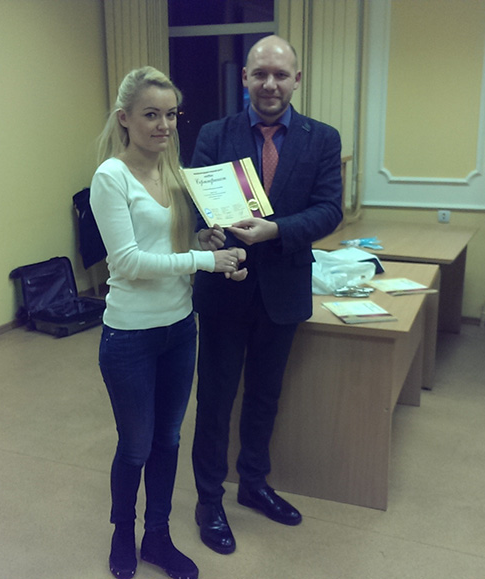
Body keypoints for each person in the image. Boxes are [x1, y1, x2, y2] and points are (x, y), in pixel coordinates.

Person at [188, 35, 344, 555]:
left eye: (280, 74)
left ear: (297, 79)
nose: (270, 84)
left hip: (283, 288)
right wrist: (205, 231)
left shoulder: (323, 139)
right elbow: (196, 203)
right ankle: (209, 500)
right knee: (214, 400)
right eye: (260, 74)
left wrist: (276, 230)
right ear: (245, 79)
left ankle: (253, 483)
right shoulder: (214, 134)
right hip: (224, 287)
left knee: (264, 396)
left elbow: (329, 210)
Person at [90, 66, 247, 579]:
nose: (164, 125)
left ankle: (157, 536)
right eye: (151, 115)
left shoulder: (176, 175)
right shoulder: (111, 177)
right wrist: (205, 262)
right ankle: (123, 532)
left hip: (179, 329)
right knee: (136, 446)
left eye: (171, 115)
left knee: (169, 440)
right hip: (129, 336)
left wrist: (200, 243)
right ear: (125, 119)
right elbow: (128, 261)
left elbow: (167, 246)